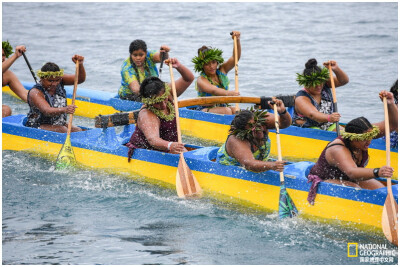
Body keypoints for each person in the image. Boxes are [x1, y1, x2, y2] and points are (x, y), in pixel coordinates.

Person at [307, 90, 397, 205]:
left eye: (370, 137)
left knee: (381, 190)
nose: (369, 141)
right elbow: (352, 172)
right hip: (324, 180)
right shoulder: (338, 149)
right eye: (364, 138)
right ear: (352, 138)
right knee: (354, 188)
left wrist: (390, 103)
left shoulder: (365, 133)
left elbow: (393, 124)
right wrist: (377, 171)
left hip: (347, 179)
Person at [125, 58, 194, 161]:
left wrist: (178, 66)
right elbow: (153, 140)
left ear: (166, 92)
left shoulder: (168, 92)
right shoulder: (147, 114)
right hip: (146, 153)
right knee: (183, 152)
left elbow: (188, 79)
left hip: (170, 148)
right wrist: (170, 145)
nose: (163, 105)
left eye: (164, 99)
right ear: (149, 102)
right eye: (157, 103)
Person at [217, 98, 292, 172]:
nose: (259, 129)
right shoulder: (237, 139)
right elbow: (249, 164)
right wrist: (272, 165)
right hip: (230, 167)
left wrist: (282, 112)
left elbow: (284, 124)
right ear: (244, 132)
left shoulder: (263, 120)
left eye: (258, 124)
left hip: (259, 163)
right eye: (252, 128)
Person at [26, 55, 86, 133]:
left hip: (57, 123)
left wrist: (80, 64)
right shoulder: (35, 92)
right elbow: (47, 111)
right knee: (63, 130)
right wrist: (65, 109)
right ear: (42, 78)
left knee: (78, 130)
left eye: (57, 80)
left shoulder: (59, 80)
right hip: (37, 126)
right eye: (50, 81)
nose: (54, 84)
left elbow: (80, 79)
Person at [191, 31, 241, 115]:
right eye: (207, 64)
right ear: (202, 66)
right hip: (204, 110)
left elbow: (235, 57)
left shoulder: (222, 70)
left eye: (213, 62)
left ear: (217, 62)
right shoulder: (201, 80)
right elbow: (214, 90)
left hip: (221, 106)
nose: (211, 66)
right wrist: (229, 93)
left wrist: (237, 41)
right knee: (227, 111)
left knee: (236, 110)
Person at [292, 58, 349, 131]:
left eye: (321, 82)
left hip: (327, 124)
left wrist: (336, 69)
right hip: (307, 127)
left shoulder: (325, 84)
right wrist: (329, 118)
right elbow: (312, 114)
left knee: (346, 135)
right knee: (318, 131)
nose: (319, 86)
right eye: (315, 84)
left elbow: (343, 81)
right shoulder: (301, 98)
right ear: (306, 84)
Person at [2, 41, 28, 117]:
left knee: (4, 110)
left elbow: (26, 95)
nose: (2, 58)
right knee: (6, 109)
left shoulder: (7, 75)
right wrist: (16, 55)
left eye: (3, 55)